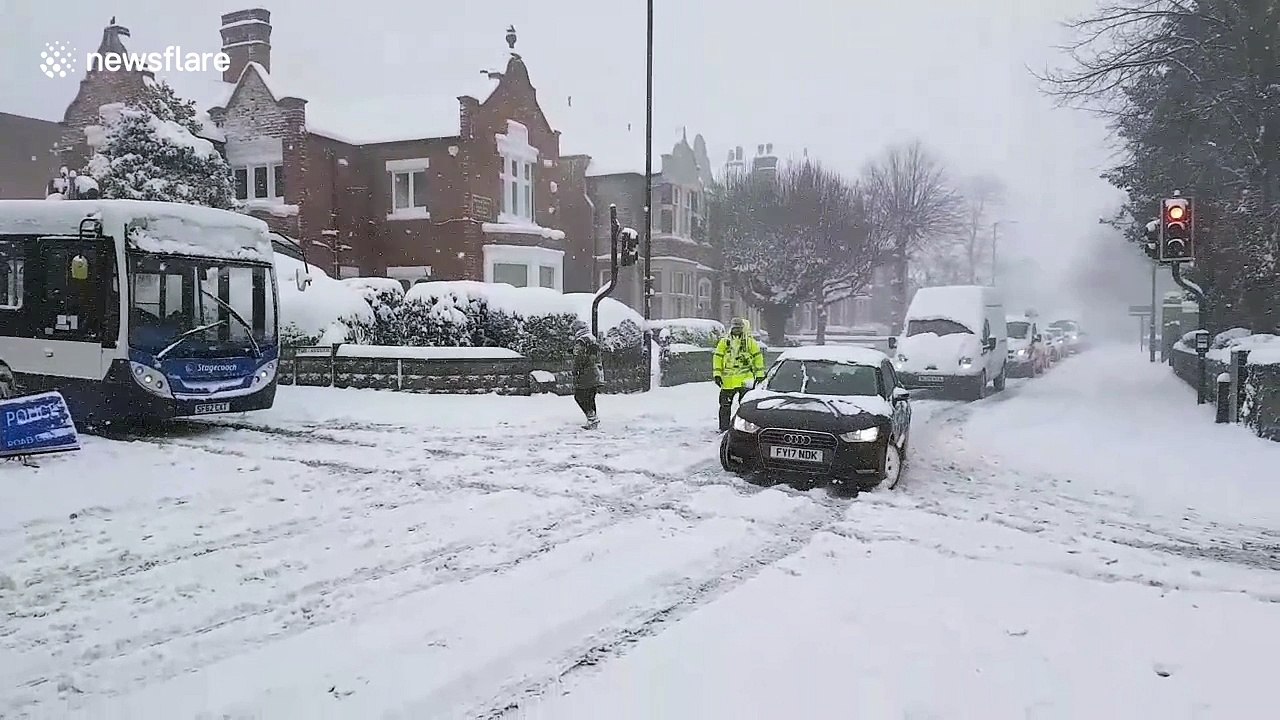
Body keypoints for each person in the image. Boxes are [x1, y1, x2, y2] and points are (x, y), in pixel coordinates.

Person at [712, 317, 765, 432]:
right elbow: (718, 357)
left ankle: (743, 428)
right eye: (735, 327)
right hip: (728, 381)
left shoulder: (749, 342)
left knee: (745, 408)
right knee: (725, 406)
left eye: (739, 328)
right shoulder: (725, 342)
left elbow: (757, 357)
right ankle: (724, 428)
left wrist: (760, 374)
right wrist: (717, 374)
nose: (737, 330)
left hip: (745, 380)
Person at [571, 324, 604, 429]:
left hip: (585, 374)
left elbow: (579, 358)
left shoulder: (580, 341)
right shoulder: (592, 339)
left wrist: (575, 371)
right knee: (590, 397)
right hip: (595, 372)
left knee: (579, 396)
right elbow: (593, 355)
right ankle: (593, 421)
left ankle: (592, 418)